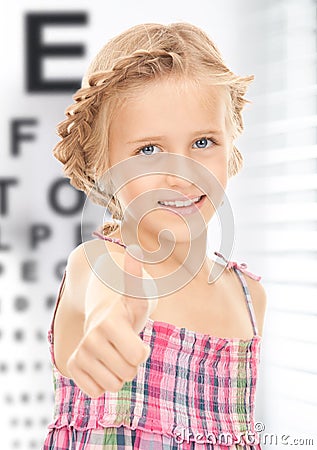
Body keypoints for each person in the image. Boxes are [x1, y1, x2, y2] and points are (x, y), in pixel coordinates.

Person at [42, 21, 267, 450]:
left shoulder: (250, 297)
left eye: (204, 142)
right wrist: (106, 316)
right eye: (149, 150)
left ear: (231, 143)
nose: (183, 175)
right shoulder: (97, 265)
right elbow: (101, 289)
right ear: (102, 164)